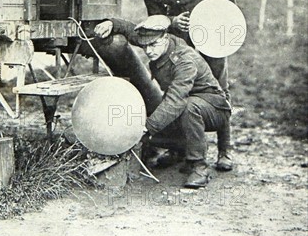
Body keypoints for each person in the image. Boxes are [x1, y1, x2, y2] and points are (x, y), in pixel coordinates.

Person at [119, 0, 236, 171]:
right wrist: (172, 22)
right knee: (177, 90)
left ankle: (225, 150)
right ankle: (180, 149)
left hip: (211, 36)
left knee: (218, 89)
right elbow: (156, 20)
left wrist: (217, 25)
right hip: (181, 43)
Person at [94, 15, 231, 188]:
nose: (148, 51)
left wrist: (147, 127)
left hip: (214, 108)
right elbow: (133, 31)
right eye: (144, 47)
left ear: (165, 38)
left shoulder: (184, 60)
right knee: (159, 126)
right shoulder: (157, 40)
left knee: (187, 108)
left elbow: (176, 100)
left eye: (153, 45)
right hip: (187, 104)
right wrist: (112, 23)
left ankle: (199, 166)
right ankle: (180, 152)